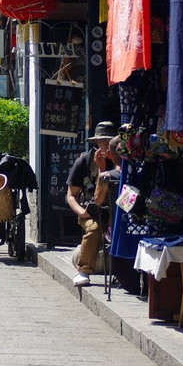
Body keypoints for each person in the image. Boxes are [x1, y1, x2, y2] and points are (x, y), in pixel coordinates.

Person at [66, 120, 122, 287]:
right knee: (95, 229)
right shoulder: (84, 161)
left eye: (107, 141)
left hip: (116, 210)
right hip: (92, 211)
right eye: (100, 141)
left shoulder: (119, 161)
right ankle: (83, 270)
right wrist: (81, 212)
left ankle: (121, 271)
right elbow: (71, 195)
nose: (104, 145)